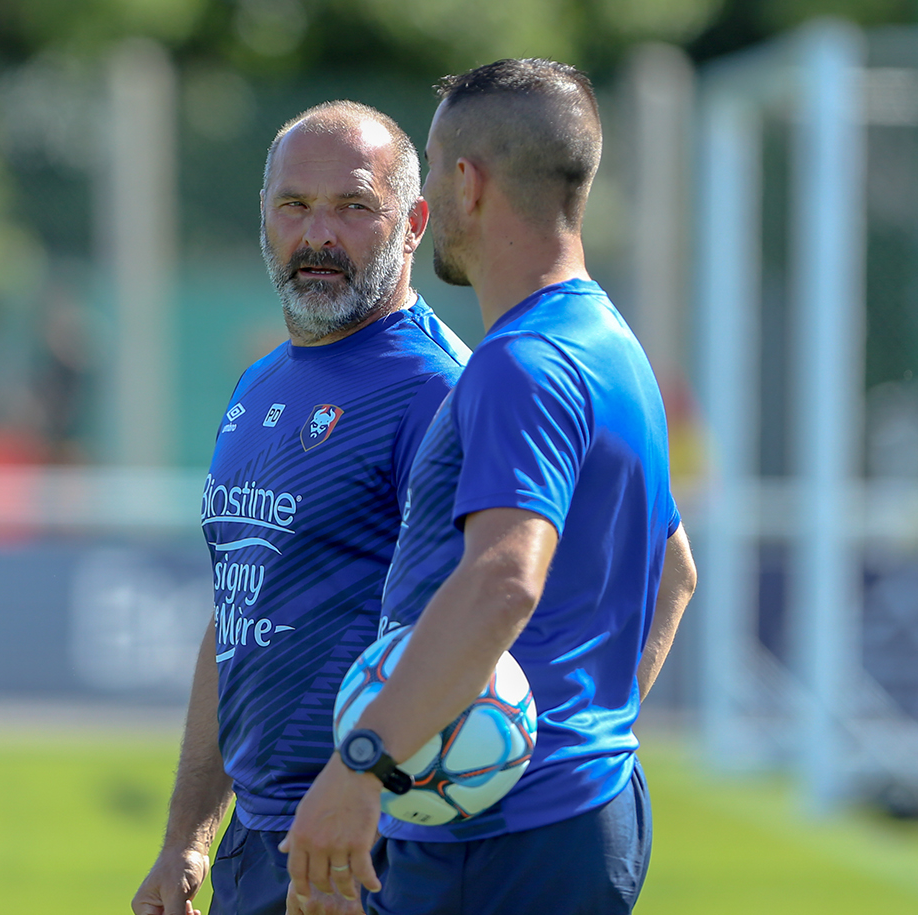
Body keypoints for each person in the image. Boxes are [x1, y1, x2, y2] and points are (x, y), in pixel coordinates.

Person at [282, 59, 698, 915]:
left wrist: (361, 769)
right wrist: (586, 737)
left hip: (501, 838)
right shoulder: (612, 345)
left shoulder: (523, 364)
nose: (428, 193)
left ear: (466, 184)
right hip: (575, 811)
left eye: (432, 168)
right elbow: (677, 573)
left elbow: (504, 576)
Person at [131, 101, 469, 915]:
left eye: (354, 206)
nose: (318, 233)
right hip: (260, 841)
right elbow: (237, 615)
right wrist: (188, 836)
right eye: (295, 205)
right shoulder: (259, 384)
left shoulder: (439, 393)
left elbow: (484, 624)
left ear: (414, 221)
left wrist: (376, 809)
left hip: (369, 849)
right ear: (265, 216)